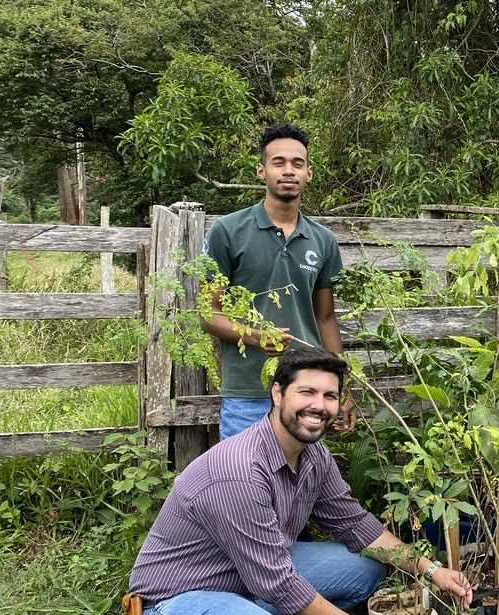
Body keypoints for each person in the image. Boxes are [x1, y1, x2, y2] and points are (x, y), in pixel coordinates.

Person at [126, 347, 472, 614]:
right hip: (180, 595)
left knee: (365, 566)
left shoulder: (314, 456)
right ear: (278, 394)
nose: (318, 406)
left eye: (330, 396)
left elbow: (356, 525)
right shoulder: (239, 472)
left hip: (250, 576)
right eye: (307, 392)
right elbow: (278, 583)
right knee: (278, 596)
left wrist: (433, 571)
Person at [202, 123, 353, 438]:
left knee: (302, 483)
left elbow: (325, 317)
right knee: (243, 480)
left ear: (308, 174)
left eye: (297, 164)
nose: (289, 171)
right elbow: (208, 313)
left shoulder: (323, 241)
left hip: (309, 390)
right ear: (261, 171)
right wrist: (257, 336)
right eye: (278, 162)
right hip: (248, 390)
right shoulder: (228, 231)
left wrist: (341, 386)